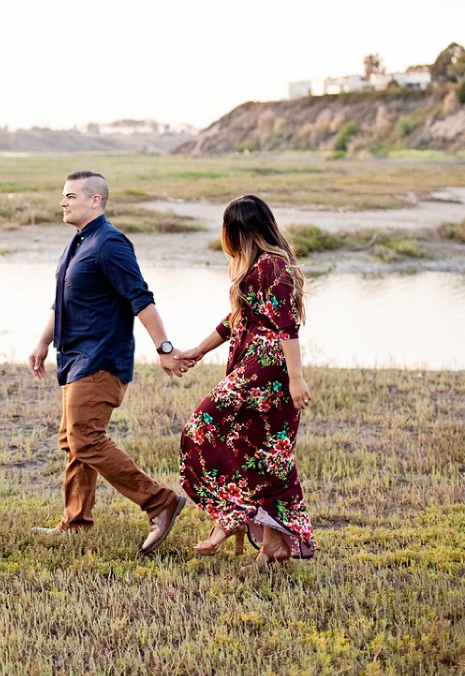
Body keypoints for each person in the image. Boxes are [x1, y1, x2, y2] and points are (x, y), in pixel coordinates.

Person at [29, 170, 187, 554]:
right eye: (63, 196)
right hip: (73, 358)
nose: (62, 202)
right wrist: (43, 342)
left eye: (70, 196)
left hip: (100, 359)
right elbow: (63, 301)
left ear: (94, 200)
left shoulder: (110, 243)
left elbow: (140, 298)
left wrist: (164, 349)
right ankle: (76, 521)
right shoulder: (78, 244)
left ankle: (160, 501)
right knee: (73, 442)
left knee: (86, 438)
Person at [179, 194, 316, 566]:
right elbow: (235, 319)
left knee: (201, 428)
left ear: (239, 231)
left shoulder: (273, 266)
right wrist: (198, 350)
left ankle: (231, 516)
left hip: (267, 370)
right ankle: (273, 543)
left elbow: (288, 326)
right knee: (268, 455)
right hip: (257, 366)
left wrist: (296, 379)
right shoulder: (258, 266)